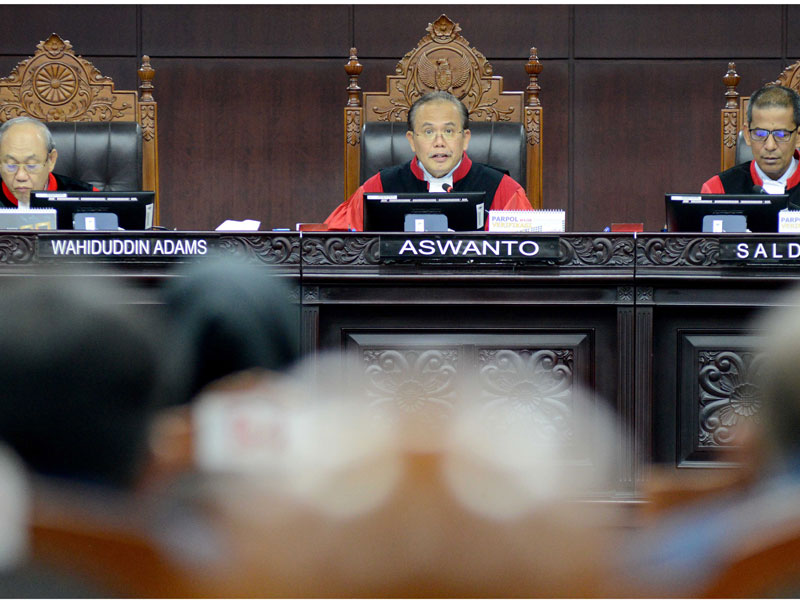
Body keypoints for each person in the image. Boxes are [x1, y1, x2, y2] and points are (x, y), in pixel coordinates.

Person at [325, 91, 532, 231]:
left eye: (449, 131)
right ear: (412, 141)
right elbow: (334, 245)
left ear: (465, 138)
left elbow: (531, 254)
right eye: (428, 132)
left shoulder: (503, 191)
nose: (439, 142)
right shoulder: (378, 187)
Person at [702, 84, 800, 203]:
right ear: (747, 135)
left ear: (798, 136)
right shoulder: (718, 189)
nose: (770, 146)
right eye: (760, 134)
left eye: (781, 134)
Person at [0, 116, 94, 209]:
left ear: (51, 160)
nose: (21, 176)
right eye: (11, 165)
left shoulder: (89, 198)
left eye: (31, 165)